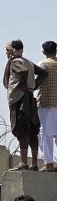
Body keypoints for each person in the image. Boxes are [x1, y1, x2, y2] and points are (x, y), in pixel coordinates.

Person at [4, 39, 47, 170]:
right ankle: (34, 163)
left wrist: (23, 86)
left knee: (22, 129)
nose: (6, 53)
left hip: (20, 100)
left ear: (13, 50)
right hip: (29, 98)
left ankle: (23, 163)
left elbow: (22, 71)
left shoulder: (16, 62)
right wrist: (33, 86)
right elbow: (43, 73)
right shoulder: (28, 61)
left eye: (7, 49)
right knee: (32, 131)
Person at [38, 40, 57, 171]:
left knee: (45, 134)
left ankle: (49, 164)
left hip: (46, 102)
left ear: (43, 51)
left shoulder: (42, 65)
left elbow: (36, 83)